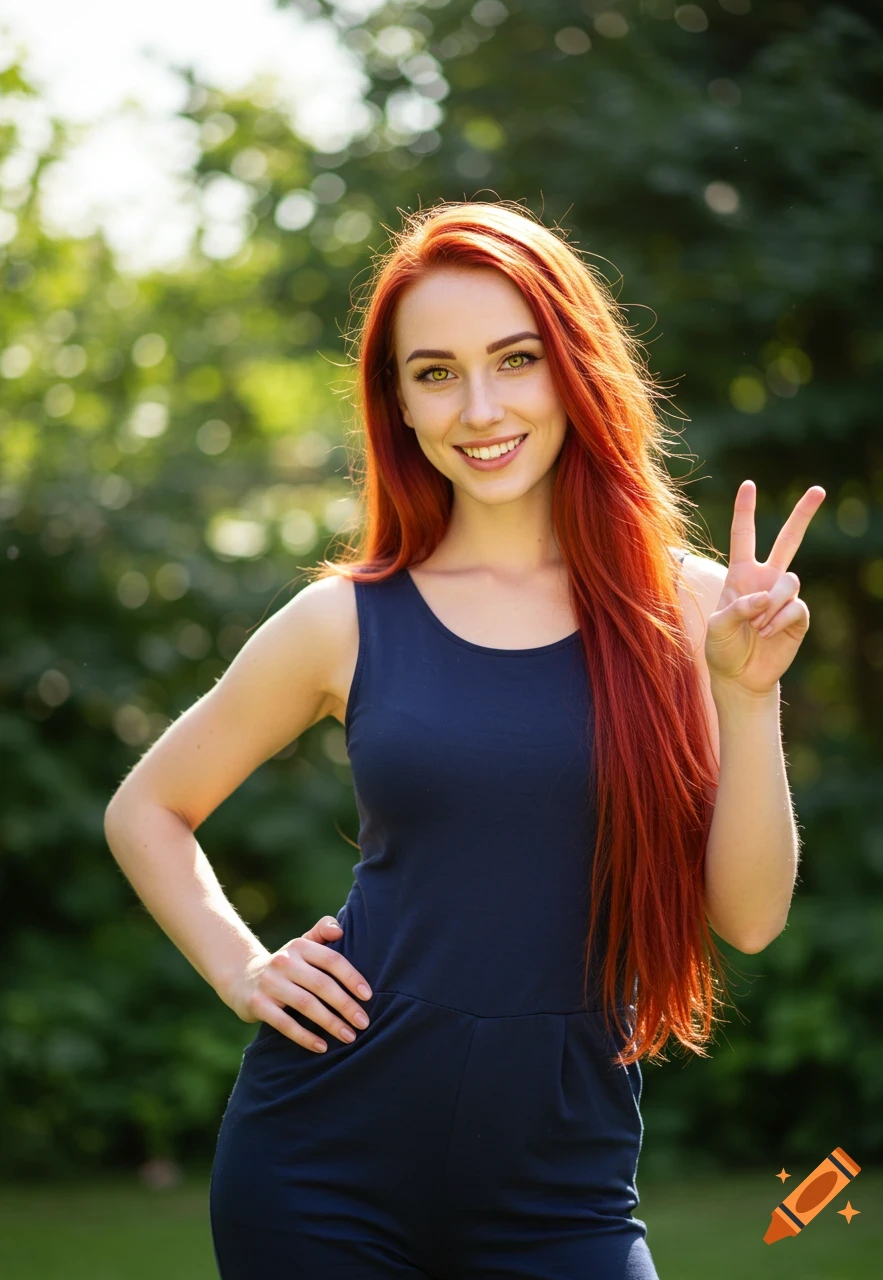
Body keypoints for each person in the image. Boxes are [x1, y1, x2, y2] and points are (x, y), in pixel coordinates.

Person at [104, 200, 823, 1278]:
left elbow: (751, 919)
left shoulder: (696, 610)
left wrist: (747, 695)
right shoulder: (344, 619)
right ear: (396, 402)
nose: (479, 408)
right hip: (319, 1167)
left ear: (572, 366)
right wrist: (243, 969)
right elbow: (148, 808)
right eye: (435, 372)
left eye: (514, 359)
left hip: (563, 1186)